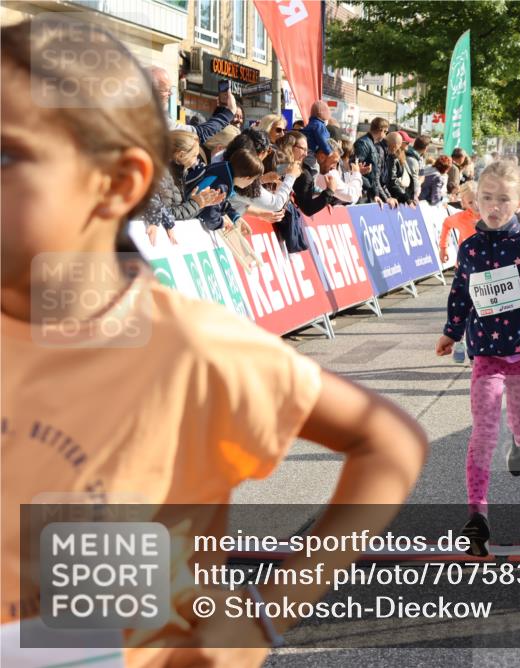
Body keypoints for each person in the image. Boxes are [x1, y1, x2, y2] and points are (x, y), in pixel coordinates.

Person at [0, 17, 427, 665]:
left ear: (116, 184)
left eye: (7, 156)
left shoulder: (185, 347)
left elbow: (387, 441)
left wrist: (267, 611)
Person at [434, 161, 520, 557]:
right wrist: (450, 331)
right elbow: (460, 295)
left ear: (519, 202)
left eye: (503, 199)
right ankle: (477, 517)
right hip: (487, 356)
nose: (494, 207)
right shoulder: (470, 248)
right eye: (487, 198)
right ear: (476, 200)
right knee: (482, 433)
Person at [149, 65, 236, 143]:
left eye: (170, 89)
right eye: (166, 90)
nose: (170, 93)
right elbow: (197, 134)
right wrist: (229, 113)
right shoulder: (152, 119)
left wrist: (220, 110)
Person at [353, 117, 395, 206]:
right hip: (362, 192)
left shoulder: (371, 144)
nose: (385, 136)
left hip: (368, 192)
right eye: (386, 132)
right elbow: (354, 167)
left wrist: (376, 194)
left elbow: (375, 174)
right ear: (381, 130)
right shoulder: (363, 143)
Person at [438, 182, 479, 263]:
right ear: (464, 203)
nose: (476, 205)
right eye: (470, 202)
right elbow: (446, 223)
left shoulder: (492, 215)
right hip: (466, 266)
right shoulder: (461, 218)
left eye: (478, 199)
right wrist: (443, 248)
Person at [384, 131, 418, 206]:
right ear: (399, 143)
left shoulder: (401, 157)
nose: (409, 145)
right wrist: (406, 198)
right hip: (394, 198)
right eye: (407, 142)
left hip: (399, 197)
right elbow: (392, 180)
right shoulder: (393, 157)